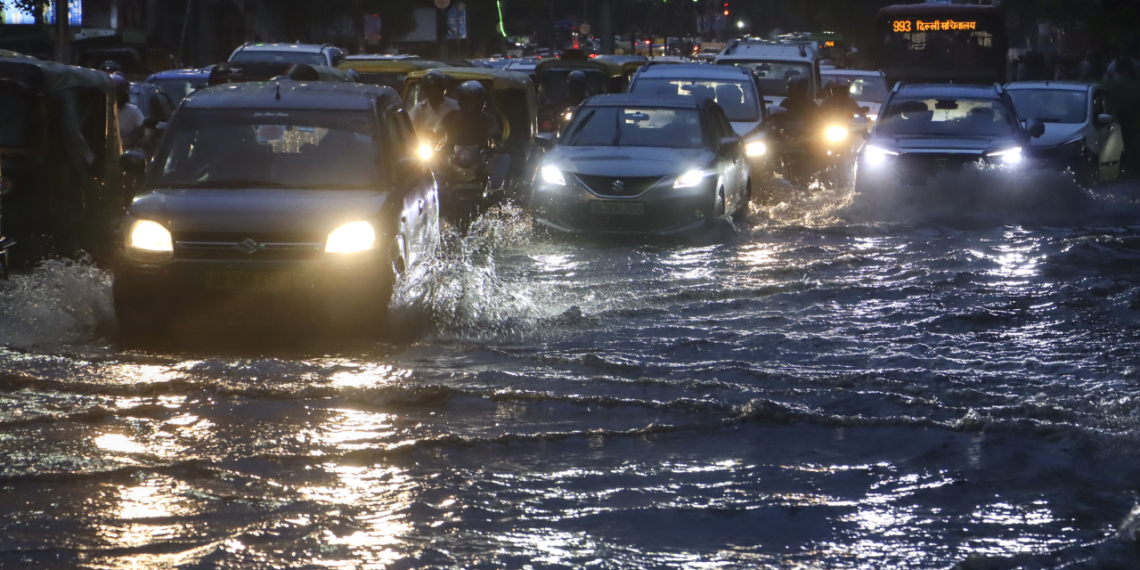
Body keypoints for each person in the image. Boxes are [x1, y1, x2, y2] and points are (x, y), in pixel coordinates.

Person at [436, 81, 509, 190]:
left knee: (505, 158)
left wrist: (496, 139)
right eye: (470, 99)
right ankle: (436, 187)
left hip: (479, 158)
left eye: (477, 99)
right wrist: (431, 139)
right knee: (428, 161)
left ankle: (494, 189)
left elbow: (495, 133)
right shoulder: (450, 117)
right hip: (452, 157)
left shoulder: (487, 119)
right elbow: (438, 132)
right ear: (462, 100)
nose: (474, 103)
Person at [409, 70, 459, 137]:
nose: (433, 92)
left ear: (443, 89)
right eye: (430, 89)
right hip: (424, 145)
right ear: (425, 91)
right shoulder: (418, 108)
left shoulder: (454, 106)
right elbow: (410, 129)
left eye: (436, 88)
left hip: (449, 145)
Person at [113, 73, 145, 150]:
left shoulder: (132, 111)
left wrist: (131, 140)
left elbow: (143, 134)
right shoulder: (100, 111)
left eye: (118, 95)